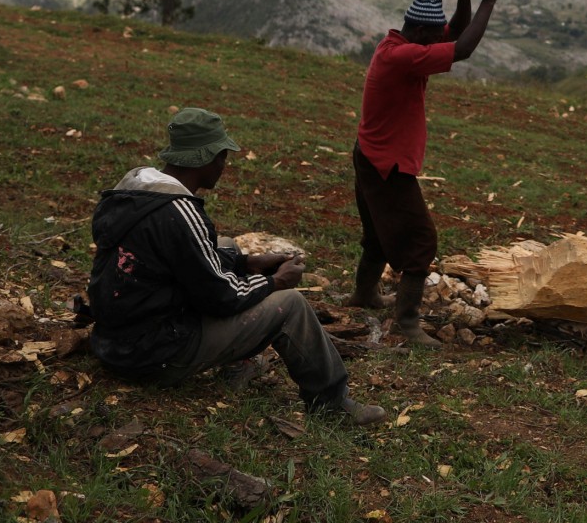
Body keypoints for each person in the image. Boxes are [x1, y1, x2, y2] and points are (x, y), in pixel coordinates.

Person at [86, 107, 383, 424]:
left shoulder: (137, 187)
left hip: (113, 342)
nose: (224, 166)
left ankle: (236, 363)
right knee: (291, 306)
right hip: (153, 356)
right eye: (222, 157)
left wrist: (248, 261)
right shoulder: (180, 211)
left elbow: (186, 258)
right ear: (206, 158)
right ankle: (332, 403)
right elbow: (220, 295)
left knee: (226, 246)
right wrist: (276, 282)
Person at [350, 0, 503, 346]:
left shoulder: (401, 45)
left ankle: (365, 295)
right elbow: (462, 47)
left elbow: (452, 36)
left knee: (377, 235)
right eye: (433, 38)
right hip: (387, 165)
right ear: (420, 35)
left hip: (372, 156)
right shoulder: (403, 56)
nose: (440, 42)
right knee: (420, 240)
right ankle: (407, 323)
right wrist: (489, 0)